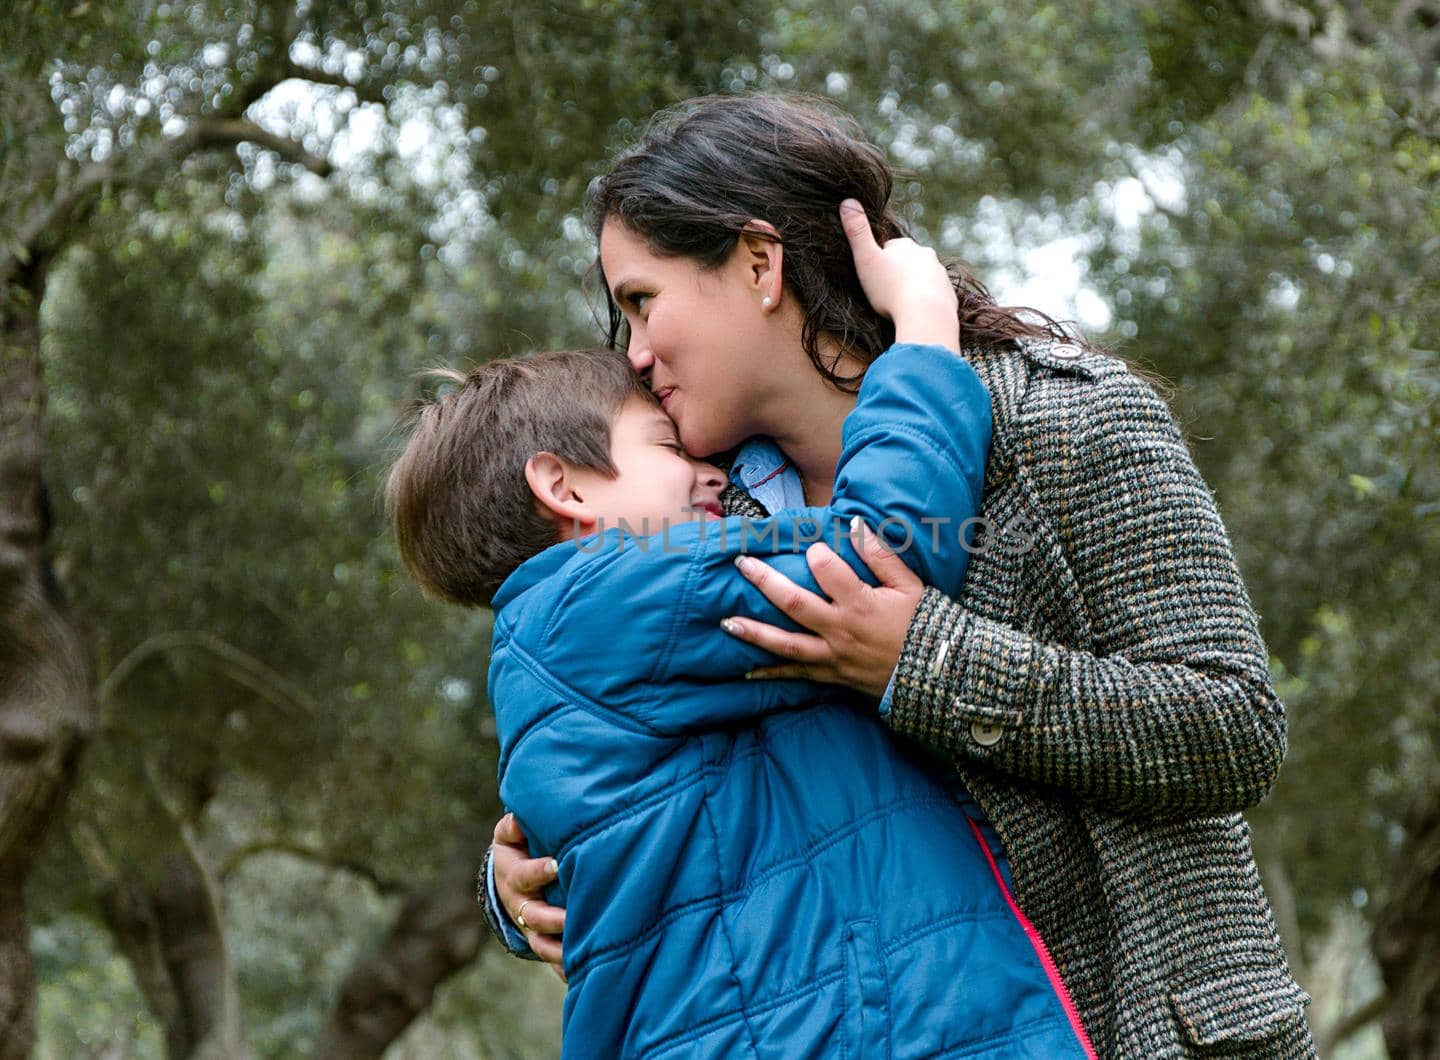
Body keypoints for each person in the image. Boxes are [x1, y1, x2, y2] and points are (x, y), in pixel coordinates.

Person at [486, 94, 1316, 1056]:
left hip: (1145, 1031)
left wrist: (920, 659)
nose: (631, 352)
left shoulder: (1071, 422)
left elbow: (1234, 727)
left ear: (759, 265)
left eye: (642, 300)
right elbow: (636, 767)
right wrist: (520, 881)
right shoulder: (706, 518)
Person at [388, 223, 1097, 1057]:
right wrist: (926, 336)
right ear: (562, 486)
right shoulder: (613, 594)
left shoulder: (566, 634)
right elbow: (879, 547)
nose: (708, 472)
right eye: (661, 448)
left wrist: (511, 888)